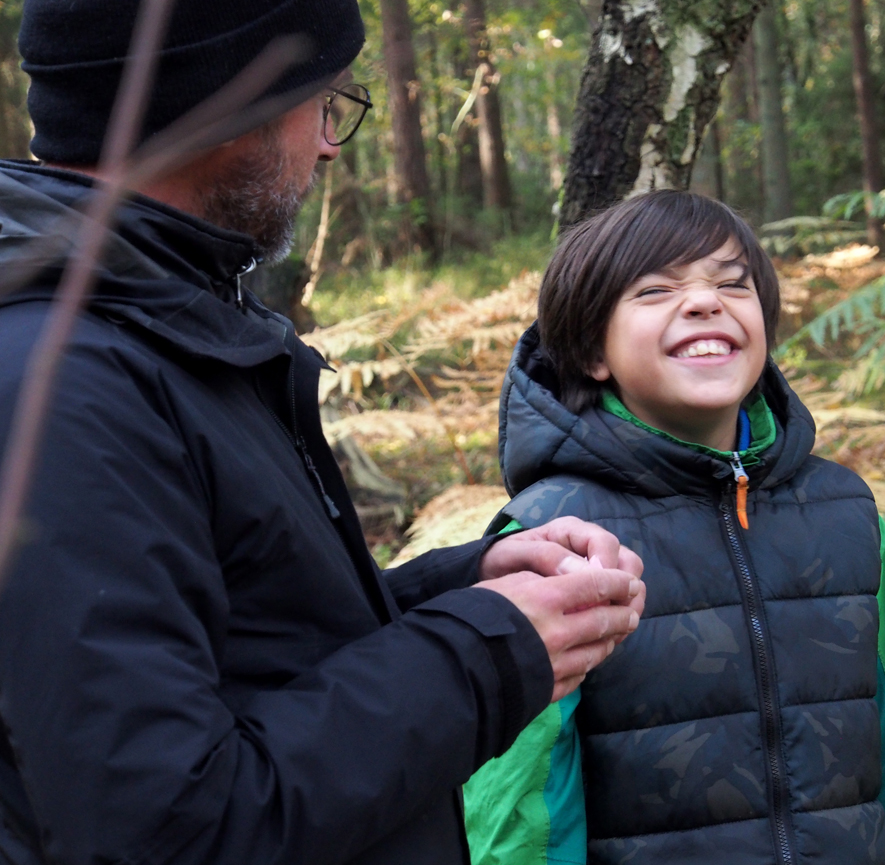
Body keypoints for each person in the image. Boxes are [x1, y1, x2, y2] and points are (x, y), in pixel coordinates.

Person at [0, 3, 646, 864]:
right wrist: (489, 649)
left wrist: (463, 586)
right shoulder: (67, 383)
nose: (332, 144)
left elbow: (234, 642)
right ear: (231, 109)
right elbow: (166, 828)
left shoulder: (149, 324)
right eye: (325, 101)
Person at [463, 190, 885, 865]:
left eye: (733, 284)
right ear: (593, 350)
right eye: (655, 289)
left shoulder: (844, 513)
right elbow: (521, 812)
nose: (706, 302)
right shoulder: (556, 535)